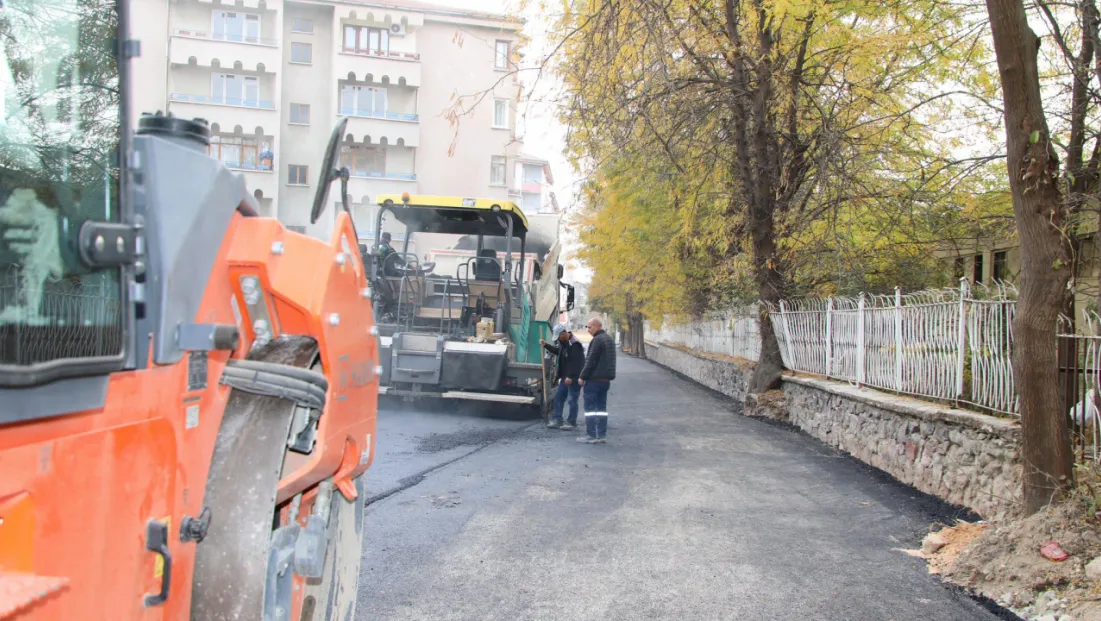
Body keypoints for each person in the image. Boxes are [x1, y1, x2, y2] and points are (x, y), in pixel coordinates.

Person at [578, 317, 616, 444]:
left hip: (594, 380)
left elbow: (590, 361)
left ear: (597, 326)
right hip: (605, 380)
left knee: (590, 409)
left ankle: (591, 435)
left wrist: (582, 376)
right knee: (601, 408)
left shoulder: (597, 340)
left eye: (590, 327)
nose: (588, 330)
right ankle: (601, 434)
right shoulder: (609, 339)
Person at [540, 323, 584, 430]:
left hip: (573, 378)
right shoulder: (563, 344)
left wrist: (570, 376)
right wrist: (546, 345)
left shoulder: (575, 345)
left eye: (559, 337)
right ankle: (557, 420)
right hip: (565, 378)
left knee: (572, 400)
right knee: (558, 397)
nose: (558, 340)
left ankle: (571, 422)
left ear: (563, 334)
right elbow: (557, 352)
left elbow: (578, 363)